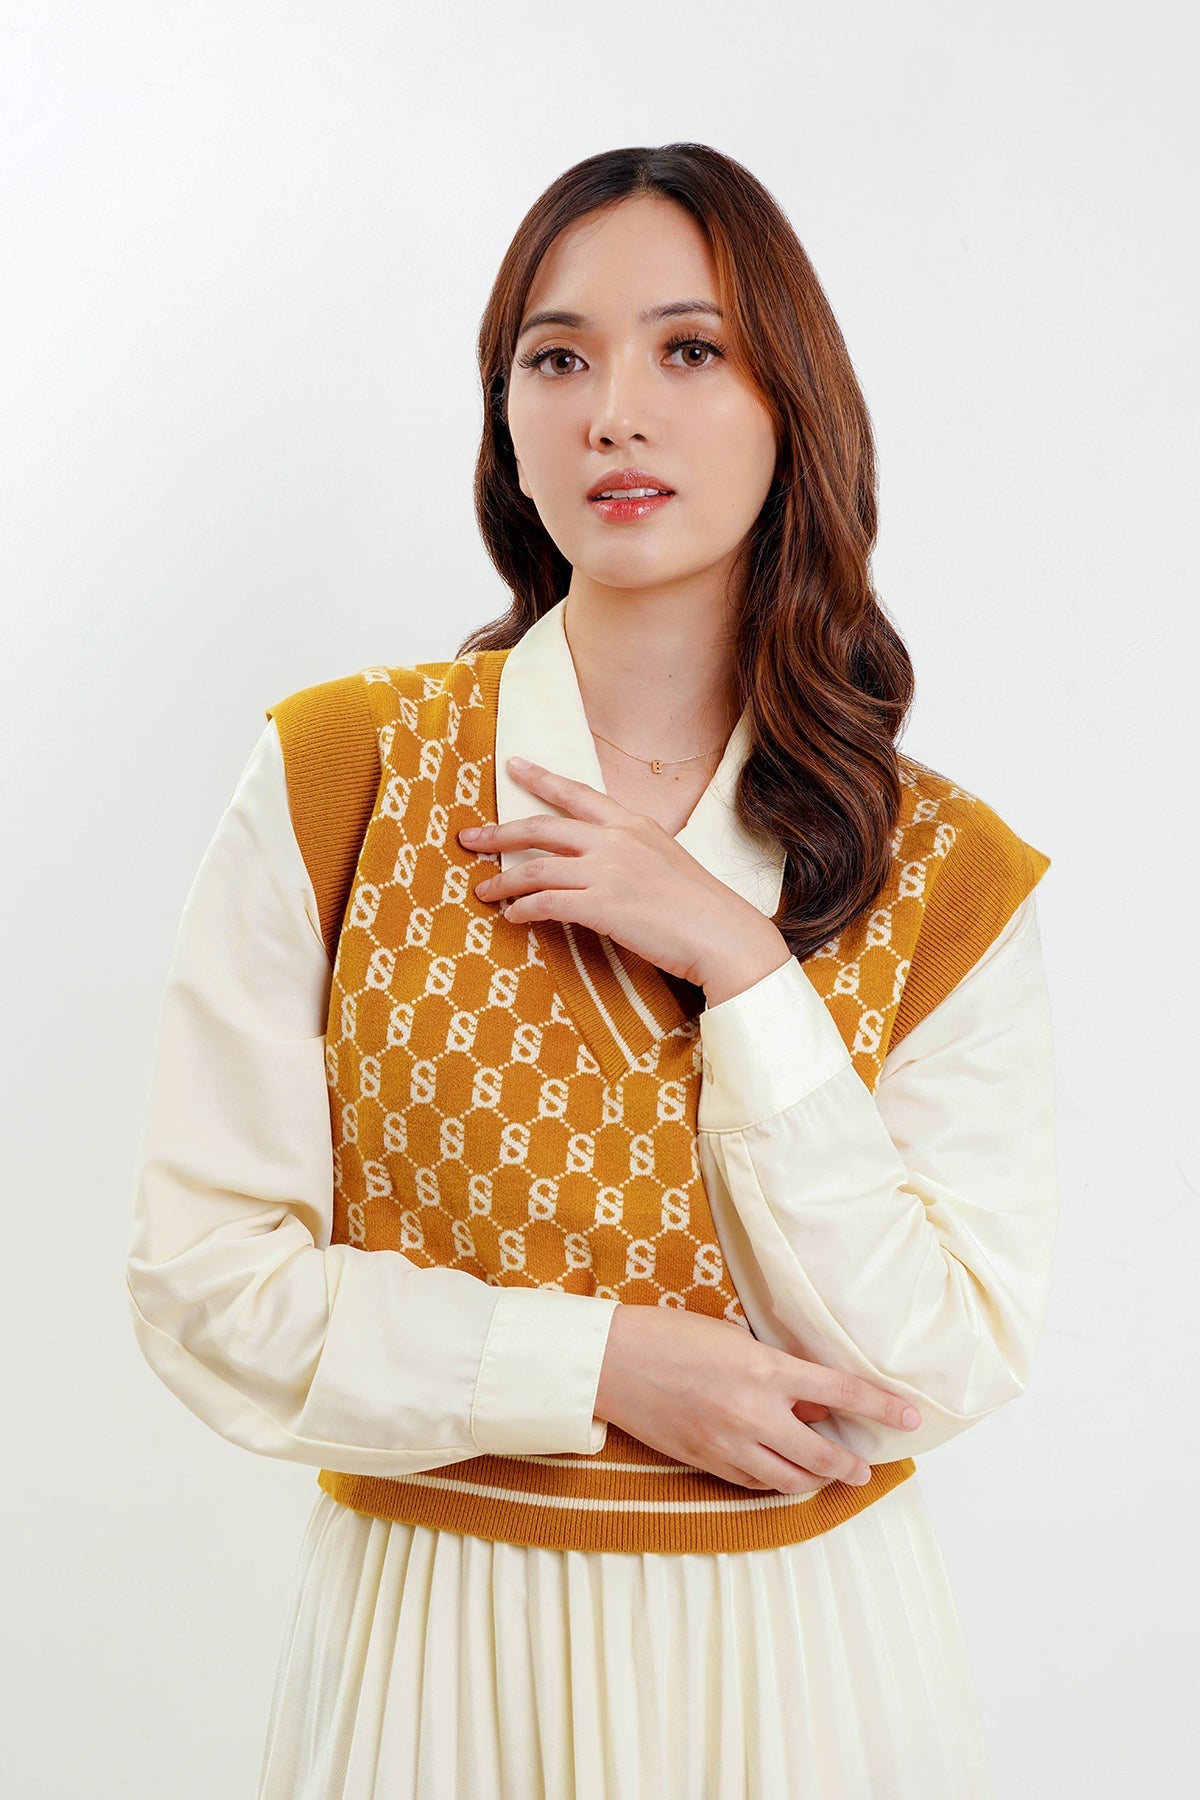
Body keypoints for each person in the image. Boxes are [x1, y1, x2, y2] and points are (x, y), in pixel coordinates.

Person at [126, 143, 1057, 1799]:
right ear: (507, 422)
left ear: (794, 405)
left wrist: (745, 968)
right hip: (434, 1658)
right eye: (557, 360)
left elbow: (932, 1368)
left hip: (806, 1671)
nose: (616, 412)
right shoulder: (349, 775)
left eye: (689, 350)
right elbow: (208, 1286)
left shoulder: (941, 871)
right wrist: (604, 1366)